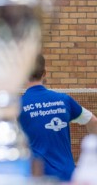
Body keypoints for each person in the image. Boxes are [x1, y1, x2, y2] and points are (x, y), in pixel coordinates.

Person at [18, 54, 97, 182]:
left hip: (38, 178)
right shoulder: (64, 100)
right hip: (67, 176)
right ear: (44, 73)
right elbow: (93, 121)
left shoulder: (17, 106)